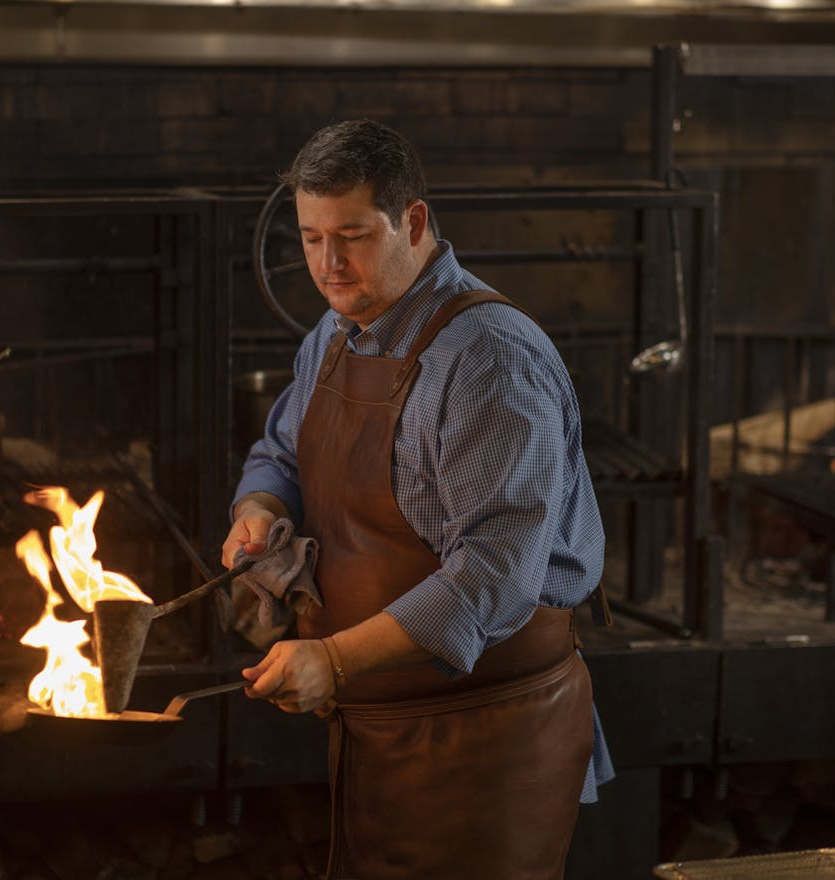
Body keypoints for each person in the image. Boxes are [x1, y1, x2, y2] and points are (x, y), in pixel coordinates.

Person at [221, 118, 613, 880]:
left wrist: (333, 658)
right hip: (373, 725)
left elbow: (493, 576)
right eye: (309, 238)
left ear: (414, 221)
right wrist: (258, 512)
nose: (328, 265)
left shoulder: (488, 360)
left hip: (483, 737)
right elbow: (277, 456)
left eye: (353, 236)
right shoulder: (335, 334)